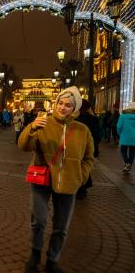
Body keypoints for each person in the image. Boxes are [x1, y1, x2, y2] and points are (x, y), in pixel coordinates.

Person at [18, 86, 94, 273]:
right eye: (60, 103)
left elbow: (89, 157)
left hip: (69, 182)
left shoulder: (82, 130)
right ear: (55, 103)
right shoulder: (43, 123)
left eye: (68, 105)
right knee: (39, 220)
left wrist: (80, 177)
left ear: (74, 108)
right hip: (42, 179)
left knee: (61, 227)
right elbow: (23, 146)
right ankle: (35, 255)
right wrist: (32, 128)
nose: (62, 107)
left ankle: (53, 259)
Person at [75, 99, 102, 199]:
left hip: (76, 147)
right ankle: (82, 187)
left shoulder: (74, 118)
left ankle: (79, 188)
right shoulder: (93, 119)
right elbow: (99, 134)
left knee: (76, 166)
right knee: (85, 166)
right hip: (90, 147)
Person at [117, 102, 135, 174]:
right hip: (134, 138)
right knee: (132, 152)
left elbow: (119, 126)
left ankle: (127, 163)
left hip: (124, 136)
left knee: (123, 151)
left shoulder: (123, 116)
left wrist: (119, 134)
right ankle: (128, 166)